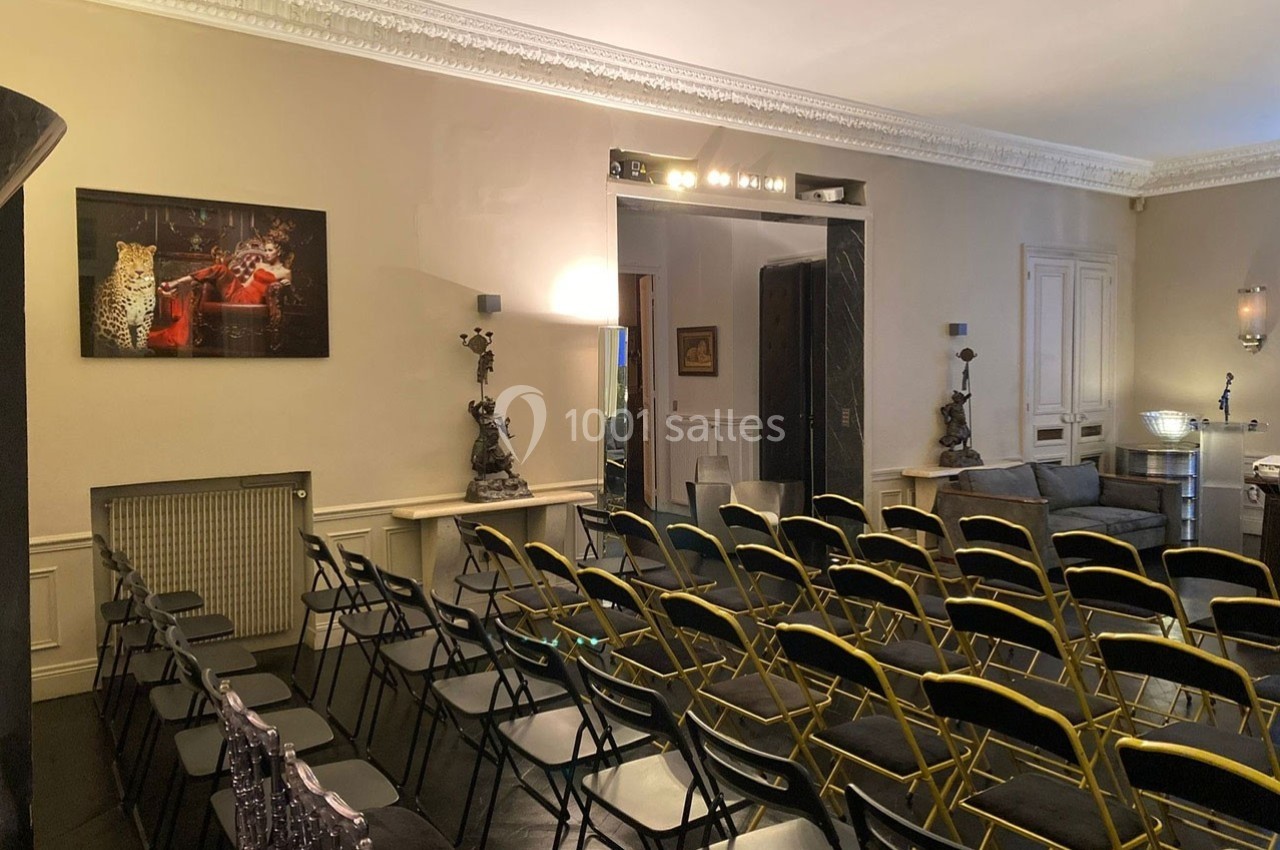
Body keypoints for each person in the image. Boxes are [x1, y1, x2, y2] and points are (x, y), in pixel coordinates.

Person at [148, 233, 292, 349]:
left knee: (218, 270)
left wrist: (286, 285)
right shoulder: (260, 265)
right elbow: (245, 283)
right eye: (265, 250)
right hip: (240, 294)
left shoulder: (285, 272)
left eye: (270, 250)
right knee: (218, 271)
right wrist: (228, 282)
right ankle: (177, 284)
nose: (266, 253)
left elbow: (288, 295)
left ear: (279, 251)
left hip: (251, 301)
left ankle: (175, 285)